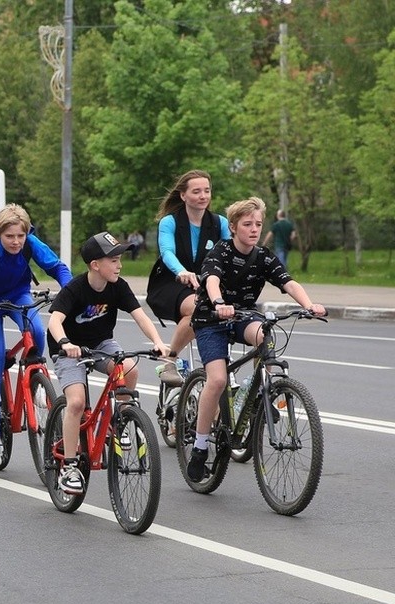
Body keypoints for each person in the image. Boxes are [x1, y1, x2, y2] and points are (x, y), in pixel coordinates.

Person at [185, 197, 325, 482]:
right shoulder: (220, 251)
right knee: (218, 380)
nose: (254, 229)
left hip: (243, 317)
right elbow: (211, 279)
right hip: (211, 320)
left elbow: (288, 282)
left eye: (258, 224)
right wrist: (219, 301)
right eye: (247, 224)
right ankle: (200, 447)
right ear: (234, 227)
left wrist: (309, 304)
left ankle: (266, 387)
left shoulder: (262, 256)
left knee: (265, 333)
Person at [46, 232, 171, 494]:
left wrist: (159, 341)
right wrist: (66, 343)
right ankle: (69, 466)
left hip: (101, 344)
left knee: (129, 368)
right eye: (113, 260)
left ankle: (121, 420)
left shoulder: (118, 286)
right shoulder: (75, 288)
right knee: (77, 402)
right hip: (69, 349)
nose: (120, 265)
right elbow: (54, 321)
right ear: (95, 265)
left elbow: (140, 317)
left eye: (120, 260)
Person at [0, 203, 73, 468]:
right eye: (10, 237)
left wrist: (69, 290)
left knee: (38, 331)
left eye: (20, 235)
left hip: (19, 296)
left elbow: (58, 268)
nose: (16, 242)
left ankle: (34, 379)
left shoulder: (30, 242)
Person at [146, 170, 231, 385]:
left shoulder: (219, 223)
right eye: (196, 191)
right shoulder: (170, 222)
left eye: (207, 191)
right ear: (183, 195)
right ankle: (169, 360)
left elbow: (230, 253)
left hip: (207, 284)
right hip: (170, 283)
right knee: (197, 308)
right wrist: (181, 271)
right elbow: (167, 252)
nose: (203, 196)